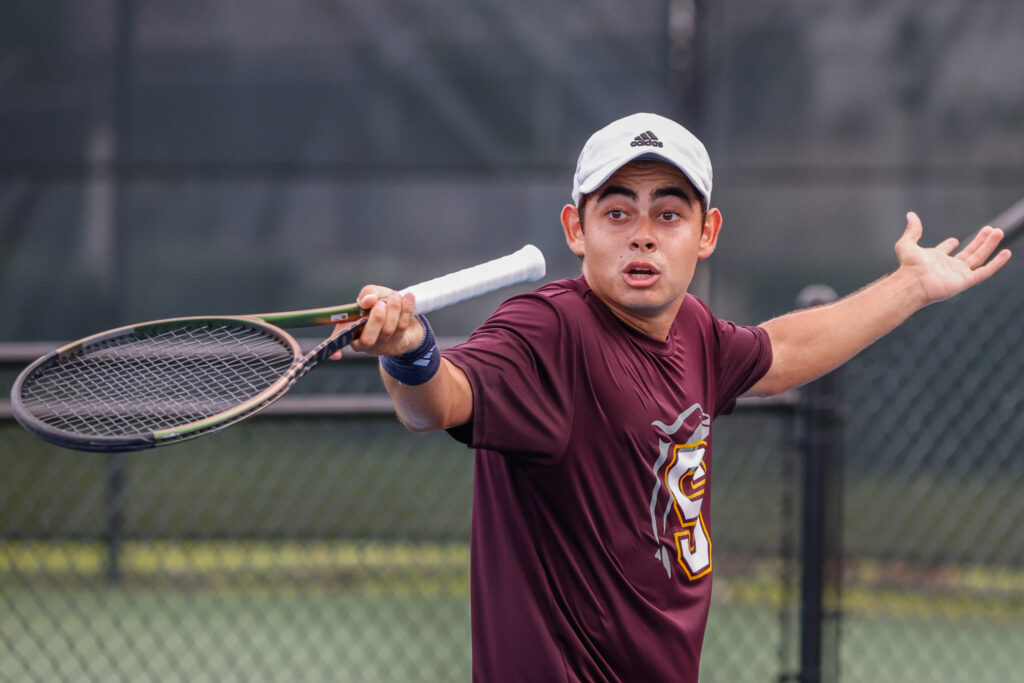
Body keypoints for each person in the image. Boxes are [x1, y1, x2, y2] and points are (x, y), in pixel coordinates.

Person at [343, 112, 1011, 681]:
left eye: (668, 213)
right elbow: (436, 402)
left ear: (707, 233)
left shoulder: (692, 328)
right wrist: (411, 352)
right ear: (576, 230)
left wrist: (912, 286)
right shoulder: (548, 331)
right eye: (616, 212)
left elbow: (782, 352)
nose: (642, 232)